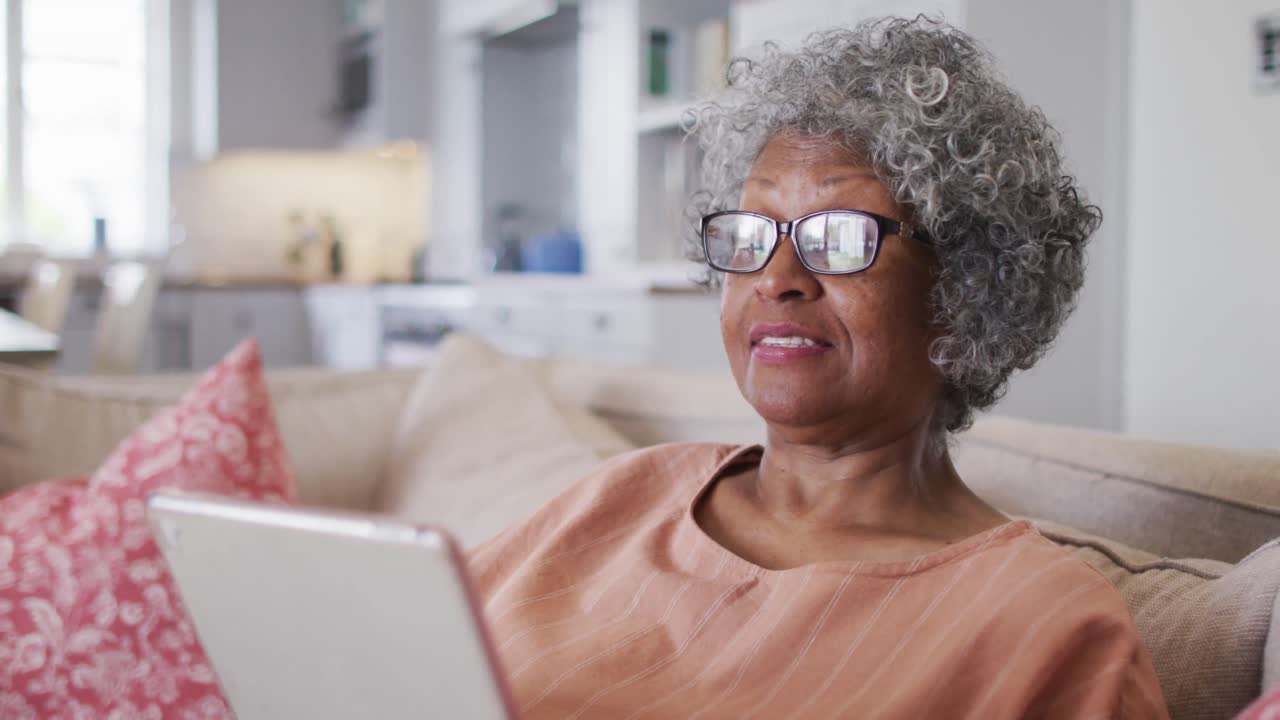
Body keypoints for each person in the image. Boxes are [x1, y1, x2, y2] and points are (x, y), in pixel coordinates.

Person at [468, 16, 1169, 719]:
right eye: (751, 232)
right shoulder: (623, 496)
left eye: (838, 237)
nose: (776, 278)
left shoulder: (1048, 628)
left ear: (964, 288)